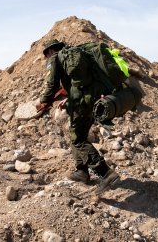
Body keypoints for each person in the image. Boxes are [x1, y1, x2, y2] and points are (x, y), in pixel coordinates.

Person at [36, 39, 120, 194]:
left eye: (46, 55)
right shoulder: (75, 55)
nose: (46, 58)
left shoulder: (55, 58)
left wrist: (43, 101)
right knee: (77, 134)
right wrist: (68, 98)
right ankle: (82, 171)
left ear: (49, 51)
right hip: (93, 99)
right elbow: (77, 84)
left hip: (81, 103)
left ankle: (106, 173)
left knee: (78, 139)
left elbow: (52, 84)